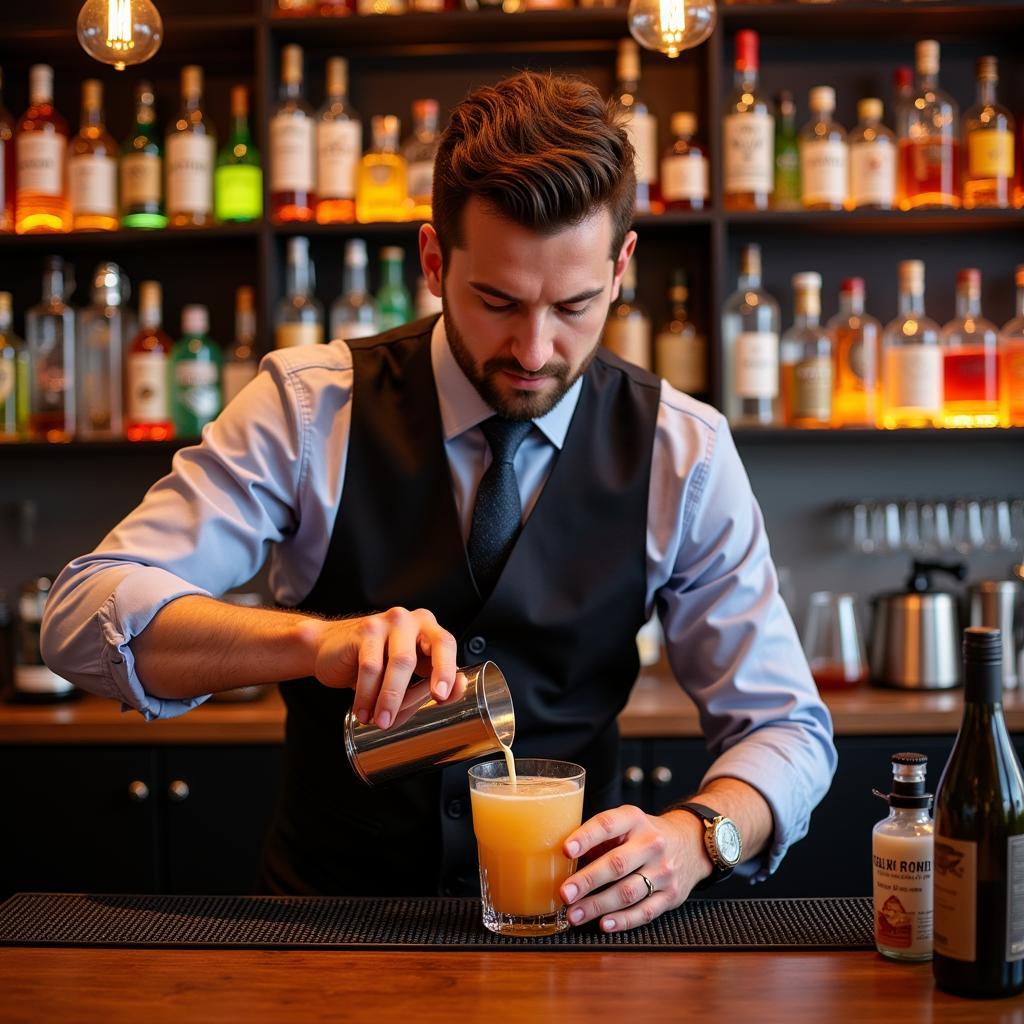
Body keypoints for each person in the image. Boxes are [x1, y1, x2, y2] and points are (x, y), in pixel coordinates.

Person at [41, 71, 836, 934]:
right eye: (498, 301)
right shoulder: (311, 409)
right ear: (432, 261)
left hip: (575, 938)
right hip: (328, 936)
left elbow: (788, 729)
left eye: (574, 306)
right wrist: (314, 642)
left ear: (621, 269)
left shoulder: (685, 450)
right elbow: (82, 617)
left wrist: (699, 835)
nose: (535, 350)